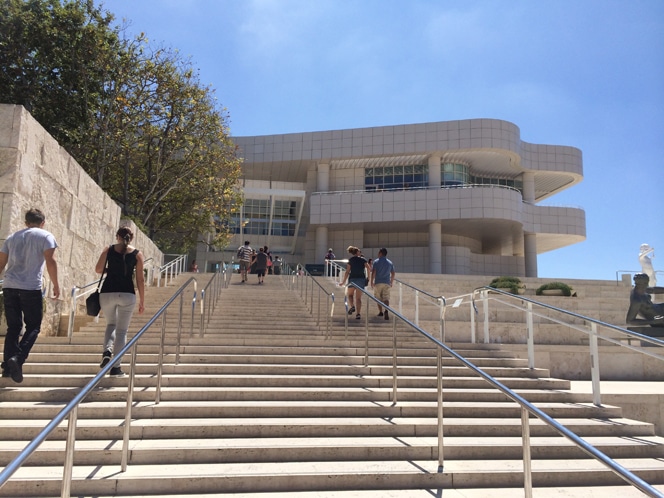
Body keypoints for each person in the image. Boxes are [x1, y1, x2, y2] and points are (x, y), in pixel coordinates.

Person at [0, 208, 60, 383]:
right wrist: (56, 284)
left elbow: (1, 262)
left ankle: (7, 368)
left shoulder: (12, 237)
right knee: (33, 326)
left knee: (13, 327)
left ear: (26, 222)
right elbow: (50, 260)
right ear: (43, 222)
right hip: (30, 287)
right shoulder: (46, 236)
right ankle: (17, 359)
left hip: (10, 286)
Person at [96, 226, 145, 377]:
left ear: (117, 236)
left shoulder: (108, 249)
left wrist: (110, 271)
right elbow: (140, 279)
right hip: (127, 294)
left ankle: (107, 351)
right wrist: (142, 301)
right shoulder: (137, 254)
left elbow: (98, 269)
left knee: (111, 324)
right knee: (122, 331)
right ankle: (116, 367)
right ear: (132, 237)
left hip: (107, 292)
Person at [338, 246, 370, 320]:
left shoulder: (351, 260)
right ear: (357, 252)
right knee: (358, 298)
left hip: (352, 279)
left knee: (350, 295)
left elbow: (347, 271)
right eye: (359, 251)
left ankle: (352, 306)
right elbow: (368, 268)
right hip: (361, 279)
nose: (360, 252)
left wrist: (343, 282)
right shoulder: (363, 260)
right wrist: (368, 277)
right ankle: (358, 314)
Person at [371, 248, 396, 320]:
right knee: (386, 298)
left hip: (378, 282)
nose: (378, 254)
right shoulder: (390, 262)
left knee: (378, 298)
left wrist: (372, 281)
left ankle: (380, 312)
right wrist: (391, 282)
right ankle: (386, 310)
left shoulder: (376, 261)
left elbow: (374, 272)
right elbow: (393, 273)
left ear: (381, 253)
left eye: (379, 252)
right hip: (386, 282)